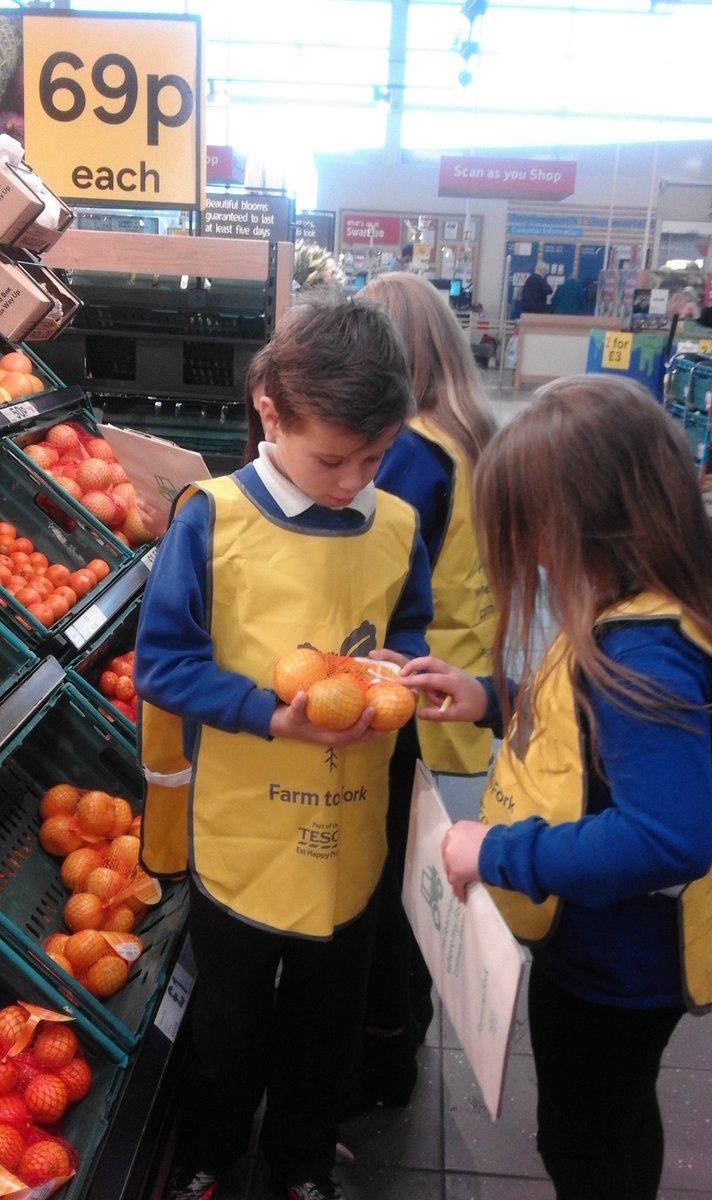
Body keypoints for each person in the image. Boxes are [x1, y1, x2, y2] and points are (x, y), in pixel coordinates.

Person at [134, 296, 433, 1200]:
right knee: (227, 1015)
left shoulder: (396, 527)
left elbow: (409, 633)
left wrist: (401, 672)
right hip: (244, 833)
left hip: (351, 836)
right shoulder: (212, 520)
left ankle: (304, 1155)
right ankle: (211, 1149)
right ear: (271, 411)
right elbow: (164, 665)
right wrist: (271, 713)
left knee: (328, 1018)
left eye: (375, 458)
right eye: (333, 458)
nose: (353, 480)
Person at [398, 373, 712, 1200]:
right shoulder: (638, 610)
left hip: (619, 963)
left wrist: (499, 850)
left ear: (591, 522)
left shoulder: (642, 654)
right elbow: (587, 735)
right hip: (602, 943)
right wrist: (489, 696)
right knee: (605, 1117)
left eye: (532, 530)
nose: (529, 553)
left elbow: (666, 834)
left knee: (586, 1137)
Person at [348, 271, 497, 1111]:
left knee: (390, 915)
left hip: (412, 700)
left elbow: (372, 571)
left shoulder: (405, 450)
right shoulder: (469, 435)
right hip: (460, 696)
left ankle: (385, 1064)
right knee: (418, 904)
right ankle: (402, 1047)